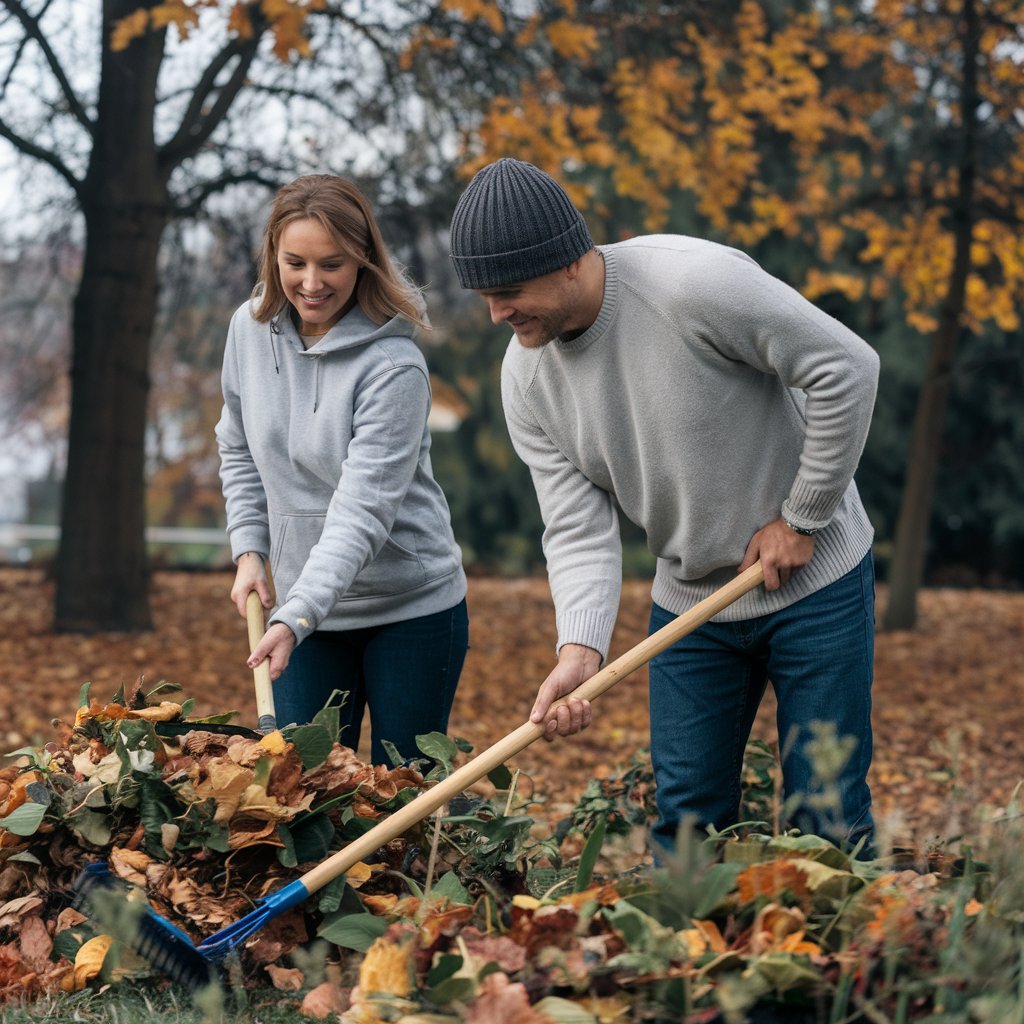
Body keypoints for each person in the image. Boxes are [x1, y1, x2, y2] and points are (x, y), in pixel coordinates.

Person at [448, 157, 880, 855]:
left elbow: (848, 368)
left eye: (508, 291)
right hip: (692, 604)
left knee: (825, 820)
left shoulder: (694, 284)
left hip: (815, 583)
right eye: (485, 296)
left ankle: (846, 961)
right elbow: (578, 527)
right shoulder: (525, 378)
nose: (497, 314)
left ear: (566, 262)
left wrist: (804, 517)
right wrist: (579, 647)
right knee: (684, 828)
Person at [216, 174, 468, 766]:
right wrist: (250, 549)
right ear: (272, 255)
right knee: (302, 793)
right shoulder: (247, 332)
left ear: (362, 261)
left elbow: (362, 513)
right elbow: (237, 447)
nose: (311, 282)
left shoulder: (393, 366)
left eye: (331, 264)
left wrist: (296, 611)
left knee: (399, 801)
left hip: (409, 610)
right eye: (294, 262)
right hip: (304, 616)